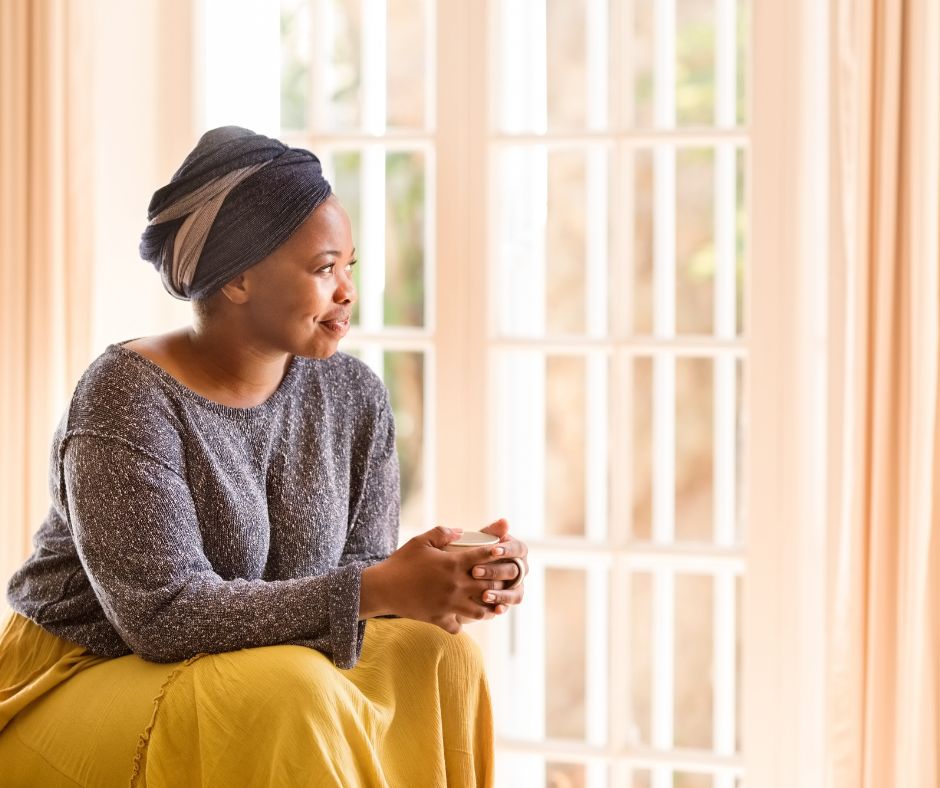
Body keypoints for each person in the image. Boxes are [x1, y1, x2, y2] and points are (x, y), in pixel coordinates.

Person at [0, 126, 529, 787]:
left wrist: (450, 578)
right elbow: (163, 618)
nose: (347, 291)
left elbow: (355, 580)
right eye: (323, 267)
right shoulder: (127, 395)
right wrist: (380, 588)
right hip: (81, 672)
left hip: (270, 658)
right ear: (240, 278)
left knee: (439, 658)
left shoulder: (352, 394)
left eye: (350, 268)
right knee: (291, 691)